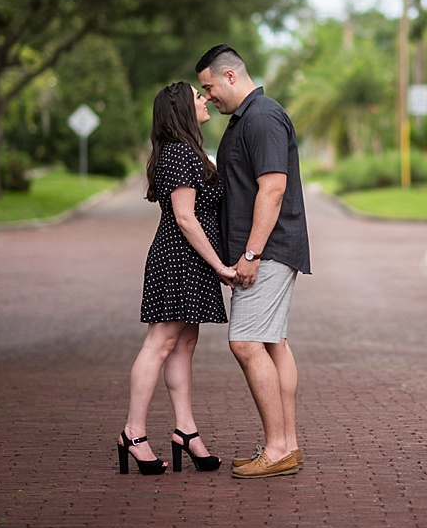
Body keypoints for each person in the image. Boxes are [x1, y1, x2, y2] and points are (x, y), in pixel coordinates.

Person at [195, 44, 311, 479]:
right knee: (272, 343)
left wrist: (250, 253)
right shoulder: (248, 119)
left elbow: (273, 189)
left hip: (268, 251)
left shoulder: (261, 117)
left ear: (229, 77)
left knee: (244, 342)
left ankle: (278, 448)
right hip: (270, 249)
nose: (207, 98)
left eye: (209, 88)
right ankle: (288, 445)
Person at [118, 82, 235, 476]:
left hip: (189, 260)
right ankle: (133, 433)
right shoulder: (179, 153)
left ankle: (186, 431)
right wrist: (220, 265)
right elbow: (185, 218)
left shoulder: (187, 151)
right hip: (178, 259)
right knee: (161, 342)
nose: (204, 100)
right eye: (197, 96)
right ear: (182, 108)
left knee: (185, 343)